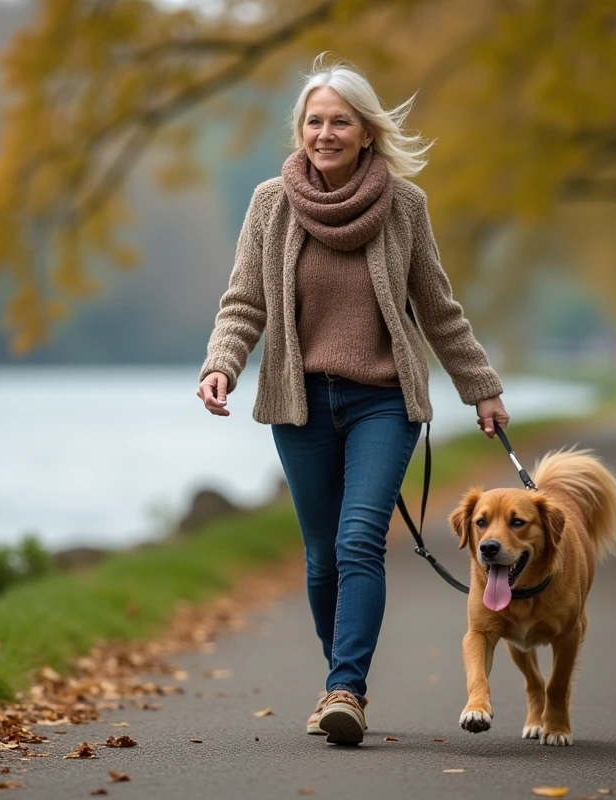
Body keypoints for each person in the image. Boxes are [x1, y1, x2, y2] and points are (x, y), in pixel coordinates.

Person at [196, 53, 509, 746]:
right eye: (314, 121)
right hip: (299, 402)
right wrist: (222, 363)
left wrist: (480, 389)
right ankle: (338, 676)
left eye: (340, 121)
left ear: (367, 132)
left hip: (381, 402)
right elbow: (243, 302)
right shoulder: (270, 205)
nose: (325, 132)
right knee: (320, 558)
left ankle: (346, 691)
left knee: (358, 539)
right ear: (299, 131)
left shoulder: (404, 207)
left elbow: (439, 309)